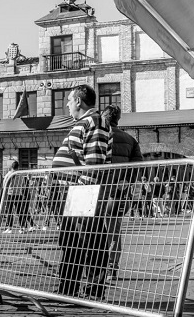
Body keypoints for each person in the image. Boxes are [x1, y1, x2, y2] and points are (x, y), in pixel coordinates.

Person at [52, 84, 112, 300]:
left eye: (69, 100)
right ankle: (68, 289)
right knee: (72, 241)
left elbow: (94, 163)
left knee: (91, 242)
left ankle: (93, 291)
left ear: (78, 101)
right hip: (76, 192)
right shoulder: (85, 122)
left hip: (83, 191)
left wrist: (81, 192)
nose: (67, 104)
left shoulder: (94, 121)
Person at [101, 104, 143, 281]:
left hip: (99, 191)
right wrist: (126, 183)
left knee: (93, 232)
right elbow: (138, 167)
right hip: (120, 194)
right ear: (118, 119)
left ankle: (95, 269)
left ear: (104, 118)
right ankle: (112, 268)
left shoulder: (100, 136)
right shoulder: (130, 139)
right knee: (114, 231)